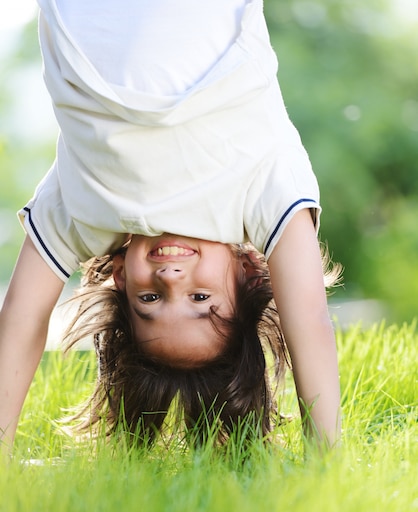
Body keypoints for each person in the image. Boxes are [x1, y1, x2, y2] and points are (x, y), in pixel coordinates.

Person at [0, 0, 341, 453]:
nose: (170, 278)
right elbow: (311, 319)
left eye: (149, 300)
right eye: (201, 299)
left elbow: (21, 322)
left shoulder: (84, 216)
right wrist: (325, 461)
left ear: (120, 279)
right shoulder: (261, 195)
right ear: (250, 275)